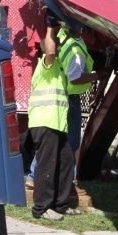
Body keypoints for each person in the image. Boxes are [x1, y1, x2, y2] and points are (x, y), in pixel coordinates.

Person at [28, 25, 79, 220]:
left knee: (66, 161)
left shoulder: (58, 66)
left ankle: (60, 205)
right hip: (45, 122)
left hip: (56, 124)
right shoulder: (46, 64)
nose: (59, 46)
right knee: (47, 165)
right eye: (56, 43)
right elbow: (50, 50)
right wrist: (50, 25)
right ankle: (41, 208)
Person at [58, 20, 98, 197]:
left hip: (61, 95)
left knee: (53, 138)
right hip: (71, 98)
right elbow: (75, 78)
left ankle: (35, 176)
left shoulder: (62, 37)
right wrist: (97, 75)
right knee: (72, 142)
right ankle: (69, 183)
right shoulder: (75, 50)